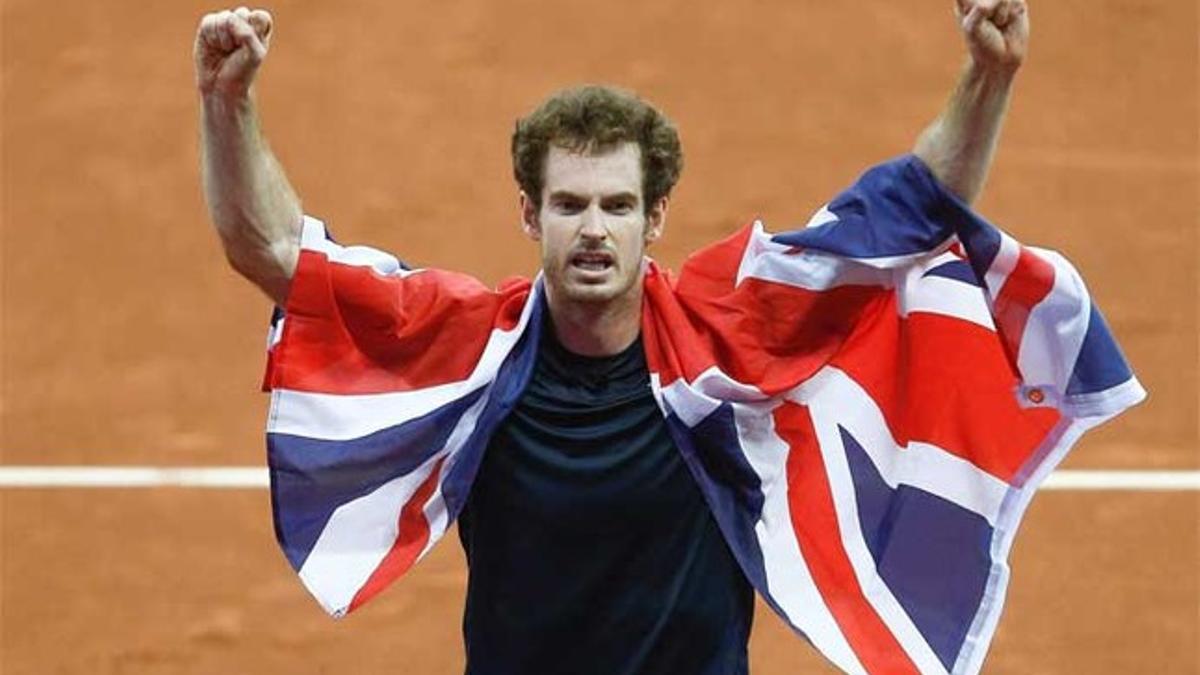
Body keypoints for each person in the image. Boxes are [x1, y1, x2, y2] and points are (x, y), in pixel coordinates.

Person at [196, 3, 1144, 674]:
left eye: (618, 204)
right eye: (570, 205)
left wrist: (988, 73)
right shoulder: (471, 348)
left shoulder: (722, 335)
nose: (595, 229)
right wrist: (226, 102)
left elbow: (906, 213)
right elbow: (273, 249)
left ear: (657, 217)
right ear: (530, 215)